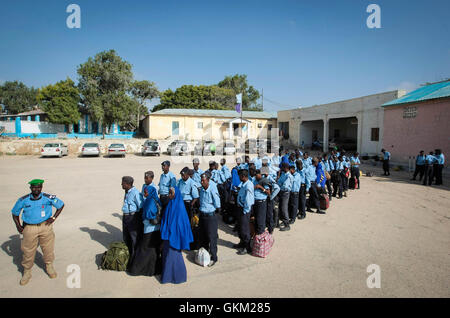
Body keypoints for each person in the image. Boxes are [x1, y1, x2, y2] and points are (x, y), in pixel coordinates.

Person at [11, 179, 65, 285]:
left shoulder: (47, 197)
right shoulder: (23, 200)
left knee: (48, 248)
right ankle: (27, 271)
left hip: (45, 226)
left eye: (39, 187)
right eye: (34, 187)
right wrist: (18, 226)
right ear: (30, 188)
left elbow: (61, 205)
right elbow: (15, 213)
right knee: (28, 251)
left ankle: (49, 266)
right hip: (29, 228)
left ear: (42, 187)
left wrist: (53, 218)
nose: (37, 189)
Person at [160, 187, 193, 284]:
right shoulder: (170, 204)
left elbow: (181, 224)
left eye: (171, 193)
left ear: (176, 194)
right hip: (168, 235)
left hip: (174, 236)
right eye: (169, 193)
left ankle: (178, 277)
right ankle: (168, 277)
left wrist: (172, 234)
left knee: (173, 256)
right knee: (167, 256)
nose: (169, 195)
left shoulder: (179, 206)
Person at [128, 180, 162, 277]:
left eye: (146, 192)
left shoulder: (150, 201)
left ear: (150, 192)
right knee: (152, 250)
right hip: (155, 228)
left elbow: (148, 213)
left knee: (144, 249)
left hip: (150, 229)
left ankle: (138, 270)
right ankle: (151, 269)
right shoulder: (153, 199)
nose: (144, 193)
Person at [198, 173, 221, 267]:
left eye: (203, 180)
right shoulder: (202, 190)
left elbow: (217, 204)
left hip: (210, 216)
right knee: (203, 236)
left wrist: (212, 210)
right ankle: (205, 254)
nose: (202, 182)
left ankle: (214, 257)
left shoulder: (212, 189)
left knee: (212, 237)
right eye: (201, 180)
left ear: (208, 180)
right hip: (202, 215)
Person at [121, 176, 144, 264]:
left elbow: (140, 206)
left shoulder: (135, 193)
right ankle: (127, 256)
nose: (121, 184)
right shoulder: (126, 192)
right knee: (126, 237)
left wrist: (136, 220)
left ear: (128, 184)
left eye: (123, 183)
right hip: (126, 217)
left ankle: (135, 259)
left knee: (134, 238)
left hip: (132, 218)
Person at [235, 169, 255, 255]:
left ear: (243, 176)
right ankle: (242, 243)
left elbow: (248, 200)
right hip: (240, 208)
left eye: (239, 176)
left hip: (245, 210)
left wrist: (245, 211)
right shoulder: (244, 184)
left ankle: (247, 247)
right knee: (240, 227)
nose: (238, 178)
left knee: (245, 229)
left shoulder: (248, 185)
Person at [252, 169, 270, 235]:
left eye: (256, 175)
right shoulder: (254, 180)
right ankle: (257, 236)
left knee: (260, 220)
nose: (255, 177)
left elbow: (268, 192)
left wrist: (261, 187)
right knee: (256, 220)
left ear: (260, 174)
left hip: (261, 202)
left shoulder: (264, 181)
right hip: (255, 202)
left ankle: (261, 237)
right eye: (255, 175)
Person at [277, 162, 293, 231]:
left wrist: (279, 186)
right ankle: (284, 221)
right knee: (280, 207)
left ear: (285, 168)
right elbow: (279, 182)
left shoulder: (289, 176)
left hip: (285, 193)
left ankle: (287, 225)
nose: (281, 169)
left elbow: (285, 186)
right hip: (281, 192)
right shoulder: (283, 174)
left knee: (284, 208)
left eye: (282, 167)